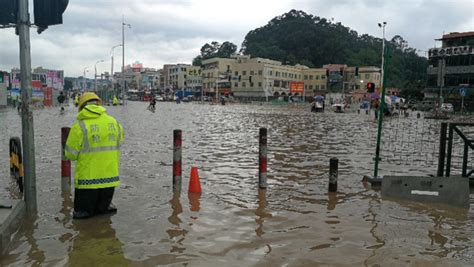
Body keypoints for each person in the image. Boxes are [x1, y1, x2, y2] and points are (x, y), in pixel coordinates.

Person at [65, 92, 124, 219]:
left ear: (81, 107)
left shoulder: (79, 126)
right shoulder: (114, 123)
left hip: (87, 182)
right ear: (99, 104)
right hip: (110, 179)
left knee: (82, 218)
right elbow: (120, 142)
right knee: (104, 216)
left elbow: (70, 155)